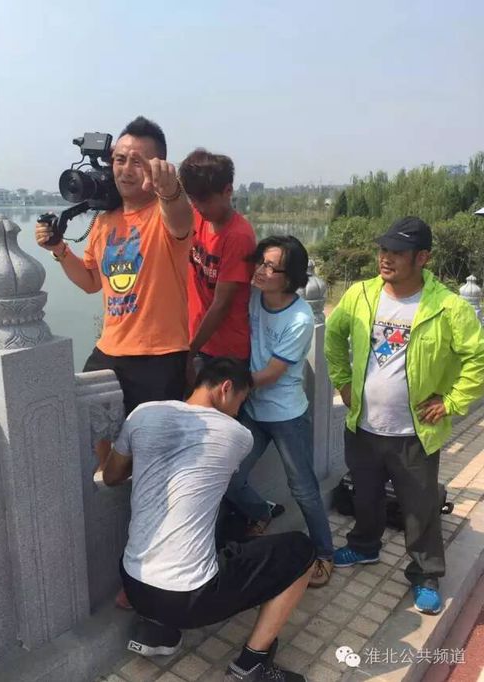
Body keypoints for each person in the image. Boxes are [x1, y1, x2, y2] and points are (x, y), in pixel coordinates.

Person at [103, 357, 316, 682]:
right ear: (226, 388)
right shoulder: (238, 435)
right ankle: (252, 665)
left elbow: (111, 476)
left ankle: (158, 631)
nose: (237, 411)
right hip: (189, 598)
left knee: (202, 528)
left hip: (133, 584)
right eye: (240, 402)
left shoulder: (143, 414)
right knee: (301, 550)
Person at [325, 216, 484, 615]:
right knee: (366, 495)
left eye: (397, 252)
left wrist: (451, 402)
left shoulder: (447, 306)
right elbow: (334, 335)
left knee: (420, 507)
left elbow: (478, 358)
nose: (386, 258)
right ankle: (365, 545)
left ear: (422, 257)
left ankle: (425, 573)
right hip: (363, 426)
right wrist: (342, 380)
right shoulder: (361, 295)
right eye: (384, 249)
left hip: (414, 432)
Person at [35, 115, 192, 461]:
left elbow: (181, 217)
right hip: (109, 352)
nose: (125, 169)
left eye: (138, 161)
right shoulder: (104, 221)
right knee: (90, 436)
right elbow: (92, 282)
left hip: (159, 357)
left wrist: (171, 190)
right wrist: (60, 250)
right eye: (119, 159)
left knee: (152, 455)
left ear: (157, 167)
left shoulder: (164, 214)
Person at [226, 236, 334, 588]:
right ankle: (263, 511)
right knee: (230, 476)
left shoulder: (300, 318)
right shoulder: (254, 297)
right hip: (254, 411)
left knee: (303, 489)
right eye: (261, 262)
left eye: (271, 267)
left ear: (291, 278)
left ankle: (325, 553)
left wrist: (225, 389)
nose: (261, 270)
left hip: (287, 416)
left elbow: (272, 373)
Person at [179, 148, 256, 370]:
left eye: (205, 200)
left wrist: (190, 353)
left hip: (226, 353)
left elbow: (221, 305)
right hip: (197, 340)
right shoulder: (196, 217)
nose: (199, 207)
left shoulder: (238, 236)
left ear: (227, 191)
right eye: (194, 200)